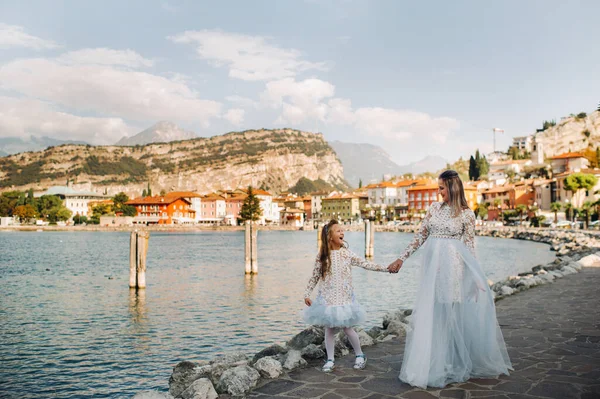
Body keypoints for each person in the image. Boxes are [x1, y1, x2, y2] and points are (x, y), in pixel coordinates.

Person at [387, 170, 512, 388]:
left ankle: (451, 361)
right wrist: (401, 259)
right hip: (432, 268)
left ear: (453, 188)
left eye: (442, 188)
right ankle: (433, 361)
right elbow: (420, 237)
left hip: (453, 268)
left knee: (450, 314)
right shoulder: (434, 208)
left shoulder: (467, 214)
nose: (439, 192)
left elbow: (470, 248)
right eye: (438, 188)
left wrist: (476, 278)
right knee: (433, 313)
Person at [304, 219, 389, 372]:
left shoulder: (347, 253)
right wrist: (306, 294)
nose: (342, 232)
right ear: (330, 236)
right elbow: (314, 276)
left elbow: (366, 264)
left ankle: (360, 355)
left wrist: (386, 268)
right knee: (329, 330)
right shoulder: (322, 256)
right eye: (338, 231)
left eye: (343, 230)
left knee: (348, 328)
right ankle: (330, 359)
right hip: (328, 299)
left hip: (344, 298)